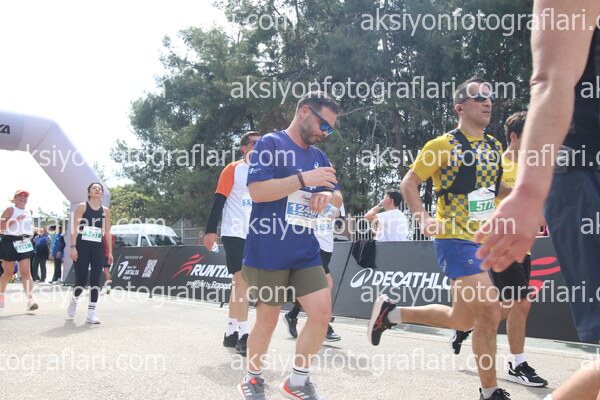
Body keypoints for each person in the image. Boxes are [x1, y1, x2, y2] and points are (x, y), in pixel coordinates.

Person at [369, 78, 512, 400]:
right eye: (479, 97)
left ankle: (391, 313)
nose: (488, 102)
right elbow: (409, 183)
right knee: (490, 311)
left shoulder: (494, 146)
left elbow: (495, 187)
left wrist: (525, 195)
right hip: (454, 237)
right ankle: (490, 392)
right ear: (460, 107)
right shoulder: (441, 146)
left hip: (483, 239)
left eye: (490, 97)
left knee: (461, 318)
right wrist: (422, 217)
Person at [476, 0, 600, 347]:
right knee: (507, 306)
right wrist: (529, 193)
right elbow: (550, 80)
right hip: (583, 172)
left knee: (518, 305)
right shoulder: (486, 156)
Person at [237, 91, 342, 400]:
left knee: (321, 314)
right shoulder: (270, 143)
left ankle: (297, 382)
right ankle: (252, 378)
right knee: (267, 319)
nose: (326, 133)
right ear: (305, 112)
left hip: (306, 250)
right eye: (324, 125)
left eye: (331, 128)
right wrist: (303, 178)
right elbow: (258, 192)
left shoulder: (319, 157)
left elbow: (338, 196)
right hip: (268, 250)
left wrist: (327, 195)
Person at [451, 111, 548, 387]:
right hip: (498, 242)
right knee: (521, 302)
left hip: (523, 246)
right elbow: (477, 201)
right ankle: (517, 364)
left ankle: (468, 324)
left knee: (509, 306)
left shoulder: (531, 168)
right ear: (514, 137)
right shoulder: (495, 165)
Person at [204, 130, 262, 355]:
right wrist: (210, 231)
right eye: (255, 143)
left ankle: (230, 332)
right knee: (242, 281)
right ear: (244, 148)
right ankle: (244, 335)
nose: (259, 147)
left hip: (256, 234)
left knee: (238, 284)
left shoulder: (265, 171)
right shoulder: (233, 169)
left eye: (263, 144)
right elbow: (218, 201)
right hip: (234, 232)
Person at [281, 201, 343, 343]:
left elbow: (339, 216)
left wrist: (329, 202)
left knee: (311, 290)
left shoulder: (333, 196)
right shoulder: (310, 194)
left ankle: (292, 316)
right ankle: (324, 326)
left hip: (327, 246)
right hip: (312, 244)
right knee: (326, 284)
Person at [67, 182, 113, 324]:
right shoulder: (82, 206)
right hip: (82, 246)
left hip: (98, 247)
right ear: (89, 192)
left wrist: (110, 252)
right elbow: (74, 228)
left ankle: (91, 313)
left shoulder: (105, 210)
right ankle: (74, 300)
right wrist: (73, 247)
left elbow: (107, 232)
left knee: (95, 279)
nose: (97, 190)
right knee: (81, 281)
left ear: (102, 193)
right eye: (94, 188)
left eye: (100, 188)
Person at [0, 190, 39, 311]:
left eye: (25, 196)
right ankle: (1, 294)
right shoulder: (10, 210)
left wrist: (35, 229)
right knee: (9, 273)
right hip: (9, 241)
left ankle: (30, 300)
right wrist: (15, 219)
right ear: (15, 198)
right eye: (20, 196)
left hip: (24, 242)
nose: (23, 198)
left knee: (26, 272)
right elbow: (1, 226)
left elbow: (26, 226)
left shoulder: (29, 211)